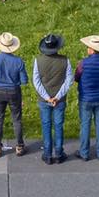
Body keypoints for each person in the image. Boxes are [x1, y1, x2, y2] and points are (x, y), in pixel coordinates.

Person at [32, 34, 73, 164]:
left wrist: (47, 97)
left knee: (46, 125)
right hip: (59, 100)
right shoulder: (65, 60)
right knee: (58, 126)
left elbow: (36, 81)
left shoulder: (38, 60)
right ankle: (59, 154)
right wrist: (58, 96)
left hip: (44, 100)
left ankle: (48, 154)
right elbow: (69, 80)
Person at [0, 33, 29, 157]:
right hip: (14, 92)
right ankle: (20, 146)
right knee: (17, 119)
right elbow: (24, 80)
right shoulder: (18, 61)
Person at [75, 35, 99, 161]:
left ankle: (84, 153)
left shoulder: (83, 63)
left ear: (92, 49)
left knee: (85, 125)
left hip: (86, 98)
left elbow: (76, 77)